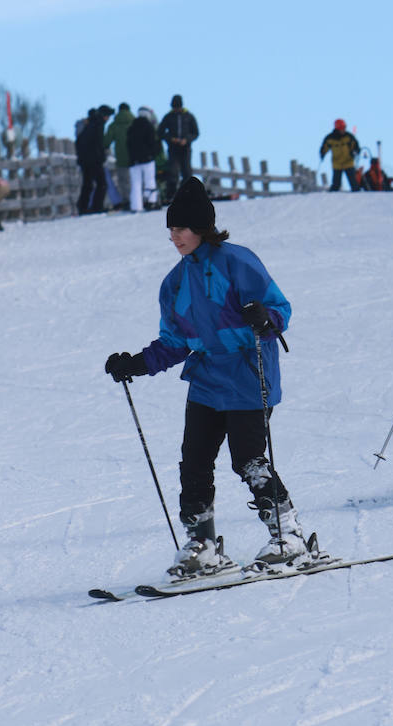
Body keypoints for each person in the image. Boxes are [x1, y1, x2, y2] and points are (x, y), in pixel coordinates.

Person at [104, 176, 309, 574]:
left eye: (179, 228)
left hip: (250, 373)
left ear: (200, 228)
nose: (173, 236)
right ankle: (202, 544)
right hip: (206, 378)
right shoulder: (174, 282)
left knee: (248, 459)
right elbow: (175, 342)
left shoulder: (238, 261)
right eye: (170, 228)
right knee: (194, 461)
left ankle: (288, 534)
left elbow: (280, 309)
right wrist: (136, 364)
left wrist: (266, 319)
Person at [158, 95, 199, 197]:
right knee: (173, 172)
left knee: (187, 172)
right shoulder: (168, 117)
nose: (176, 109)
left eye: (177, 107)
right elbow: (160, 132)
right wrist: (171, 138)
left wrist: (187, 139)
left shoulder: (189, 116)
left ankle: (188, 195)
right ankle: (171, 195)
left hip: (186, 148)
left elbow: (195, 132)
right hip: (173, 148)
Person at [75, 106, 110, 215]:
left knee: (87, 184)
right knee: (102, 183)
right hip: (94, 159)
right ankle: (97, 206)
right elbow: (98, 143)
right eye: (108, 116)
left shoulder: (88, 125)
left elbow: (79, 142)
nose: (108, 119)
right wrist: (102, 156)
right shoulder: (98, 124)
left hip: (84, 159)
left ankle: (82, 206)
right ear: (104, 116)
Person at [127, 106, 160, 212]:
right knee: (149, 180)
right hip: (148, 159)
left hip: (134, 161)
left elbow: (128, 144)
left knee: (136, 183)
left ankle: (136, 205)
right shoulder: (149, 126)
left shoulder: (131, 127)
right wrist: (153, 154)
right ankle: (151, 202)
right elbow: (153, 142)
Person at [104, 103, 135, 208]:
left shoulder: (113, 125)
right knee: (135, 180)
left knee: (123, 180)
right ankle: (137, 200)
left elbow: (106, 142)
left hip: (121, 157)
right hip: (135, 158)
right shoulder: (135, 123)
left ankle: (127, 201)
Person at [319, 119, 360, 191]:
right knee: (336, 184)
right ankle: (331, 198)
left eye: (344, 128)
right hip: (337, 163)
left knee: (354, 184)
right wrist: (322, 153)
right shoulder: (330, 138)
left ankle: (358, 197)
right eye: (341, 128)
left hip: (348, 162)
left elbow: (356, 146)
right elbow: (325, 147)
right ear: (337, 128)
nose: (343, 130)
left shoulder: (349, 136)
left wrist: (355, 152)